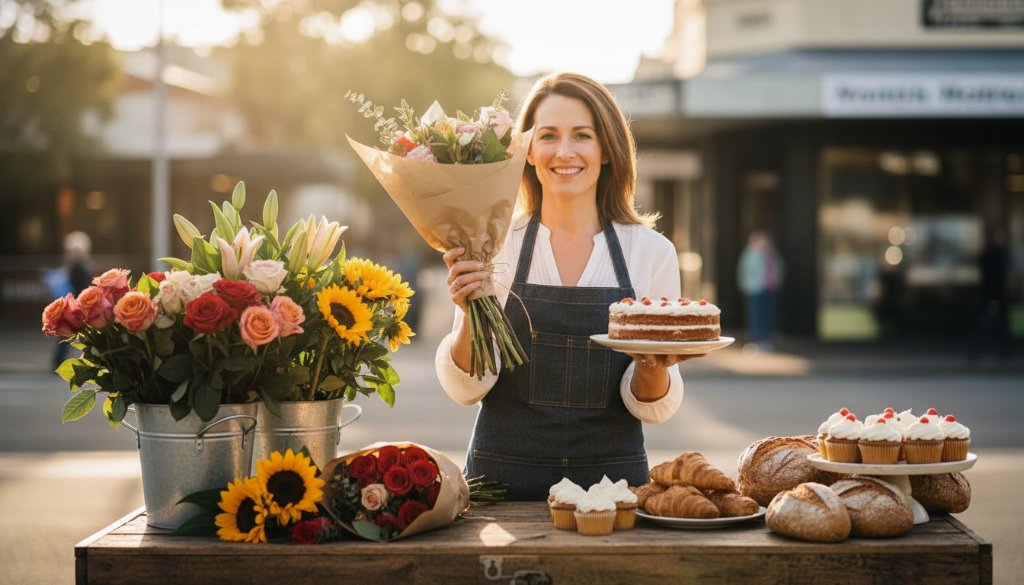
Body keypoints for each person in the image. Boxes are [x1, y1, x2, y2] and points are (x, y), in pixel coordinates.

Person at [436, 72, 704, 500]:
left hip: (613, 490)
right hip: (500, 487)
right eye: (548, 136)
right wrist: (470, 311)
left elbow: (651, 407)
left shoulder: (652, 253)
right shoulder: (492, 243)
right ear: (526, 151)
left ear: (607, 151)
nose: (564, 152)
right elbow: (467, 388)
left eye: (582, 135)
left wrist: (654, 365)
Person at [50, 231, 93, 369]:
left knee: (67, 336)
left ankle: (58, 363)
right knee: (67, 336)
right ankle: (59, 363)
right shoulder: (78, 267)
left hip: (75, 307)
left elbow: (81, 288)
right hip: (74, 306)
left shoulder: (78, 268)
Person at [968, 225, 1010, 362]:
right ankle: (978, 352)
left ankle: (1002, 353)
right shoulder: (992, 255)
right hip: (991, 296)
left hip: (995, 296)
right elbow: (992, 278)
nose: (1001, 239)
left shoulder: (1001, 254)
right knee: (986, 326)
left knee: (998, 326)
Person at [736, 231, 784, 351]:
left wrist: (777, 282)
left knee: (767, 315)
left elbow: (779, 269)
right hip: (754, 289)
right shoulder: (750, 255)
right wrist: (745, 285)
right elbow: (743, 272)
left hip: (769, 288)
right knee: (755, 315)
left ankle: (768, 340)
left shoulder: (772, 254)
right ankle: (755, 340)